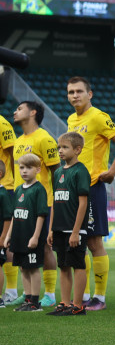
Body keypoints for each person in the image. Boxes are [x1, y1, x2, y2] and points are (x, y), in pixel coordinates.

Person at [66, 75, 115, 311]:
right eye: (71, 92)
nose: (75, 96)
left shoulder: (98, 117)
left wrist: (112, 171)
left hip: (92, 186)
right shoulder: (71, 119)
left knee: (94, 242)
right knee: (78, 241)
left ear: (89, 94)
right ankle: (83, 295)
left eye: (79, 91)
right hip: (73, 188)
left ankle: (99, 297)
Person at [6, 101, 59, 307]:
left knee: (44, 246)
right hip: (21, 202)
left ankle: (50, 294)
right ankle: (28, 294)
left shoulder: (44, 138)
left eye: (19, 109)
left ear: (33, 112)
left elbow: (56, 171)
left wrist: (54, 199)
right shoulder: (19, 141)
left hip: (41, 202)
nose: (15, 112)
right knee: (21, 245)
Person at [46, 132, 91, 317]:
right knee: (63, 266)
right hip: (59, 227)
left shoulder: (81, 171)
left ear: (77, 150)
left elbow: (83, 203)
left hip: (74, 229)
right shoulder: (58, 172)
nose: (60, 151)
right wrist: (51, 229)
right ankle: (64, 303)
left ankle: (78, 305)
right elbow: (55, 202)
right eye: (59, 147)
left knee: (78, 265)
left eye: (65, 147)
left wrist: (76, 231)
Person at [4, 154, 48, 312]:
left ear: (38, 169)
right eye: (22, 167)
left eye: (29, 168)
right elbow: (14, 215)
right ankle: (28, 299)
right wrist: (8, 235)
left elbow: (41, 215)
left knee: (33, 268)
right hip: (19, 236)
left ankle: (35, 302)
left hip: (31, 237)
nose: (24, 171)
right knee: (23, 267)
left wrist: (35, 237)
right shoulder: (18, 190)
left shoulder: (39, 189)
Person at [0, 114, 14, 306]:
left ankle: (10, 291)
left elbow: (12, 155)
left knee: (8, 244)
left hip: (8, 186)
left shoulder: (2, 123)